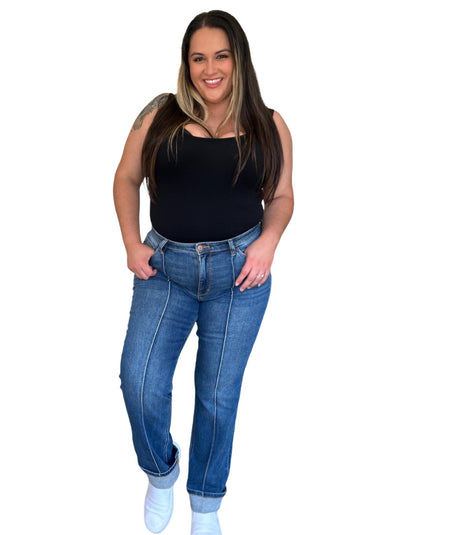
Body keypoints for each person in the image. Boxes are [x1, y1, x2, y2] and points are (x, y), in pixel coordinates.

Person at [113, 10, 293, 535]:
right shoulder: (159, 113)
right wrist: (130, 243)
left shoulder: (269, 122)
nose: (209, 69)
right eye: (198, 57)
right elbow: (125, 178)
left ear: (238, 60)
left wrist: (268, 243)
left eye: (220, 56)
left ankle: (207, 504)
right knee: (139, 381)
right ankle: (160, 471)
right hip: (163, 269)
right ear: (185, 63)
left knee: (217, 394)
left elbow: (281, 197)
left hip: (240, 274)